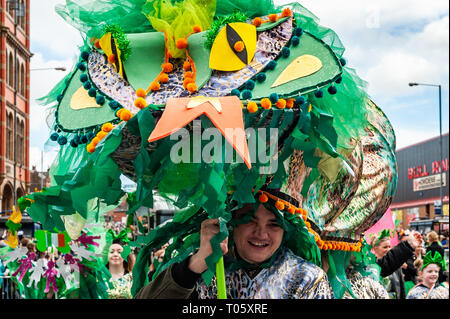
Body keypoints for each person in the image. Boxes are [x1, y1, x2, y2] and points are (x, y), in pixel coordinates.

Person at [135, 197, 334, 299]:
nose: (261, 233)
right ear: (232, 223)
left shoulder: (306, 279)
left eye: (274, 224)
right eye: (249, 220)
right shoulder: (204, 273)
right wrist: (195, 265)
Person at [368, 230, 421, 299]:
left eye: (389, 247)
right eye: (385, 247)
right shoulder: (370, 267)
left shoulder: (396, 266)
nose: (388, 249)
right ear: (375, 248)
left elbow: (401, 288)